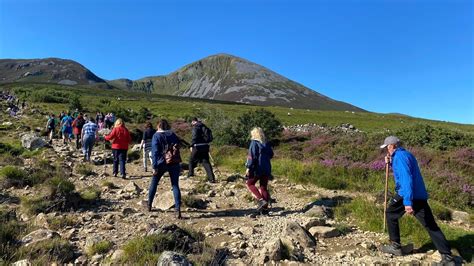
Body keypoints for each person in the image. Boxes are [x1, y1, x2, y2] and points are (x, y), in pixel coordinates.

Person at [380, 136, 454, 263]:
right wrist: (390, 162)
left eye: (387, 147)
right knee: (431, 225)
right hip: (419, 194)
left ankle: (395, 246)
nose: (386, 149)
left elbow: (406, 179)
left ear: (392, 146)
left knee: (391, 213)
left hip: (407, 194)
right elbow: (405, 172)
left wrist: (407, 202)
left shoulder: (400, 157)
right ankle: (447, 257)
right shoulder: (406, 154)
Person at [148, 119, 182, 219]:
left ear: (158, 126)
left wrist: (154, 166)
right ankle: (177, 209)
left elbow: (155, 152)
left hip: (161, 162)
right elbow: (178, 146)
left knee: (154, 182)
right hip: (174, 162)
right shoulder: (172, 134)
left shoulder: (156, 135)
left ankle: (149, 204)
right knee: (175, 185)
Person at [245, 127, 274, 213]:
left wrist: (248, 167)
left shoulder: (254, 143)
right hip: (267, 167)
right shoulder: (266, 143)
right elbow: (271, 154)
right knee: (263, 187)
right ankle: (265, 210)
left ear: (254, 134)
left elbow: (252, 156)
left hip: (257, 167)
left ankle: (261, 200)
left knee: (249, 183)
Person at [188, 118, 216, 183]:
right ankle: (211, 178)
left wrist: (191, 145)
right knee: (206, 162)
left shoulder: (196, 127)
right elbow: (210, 137)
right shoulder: (204, 126)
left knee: (191, 160)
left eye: (192, 122)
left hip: (197, 146)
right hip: (205, 146)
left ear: (193, 121)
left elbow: (194, 137)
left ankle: (190, 174)